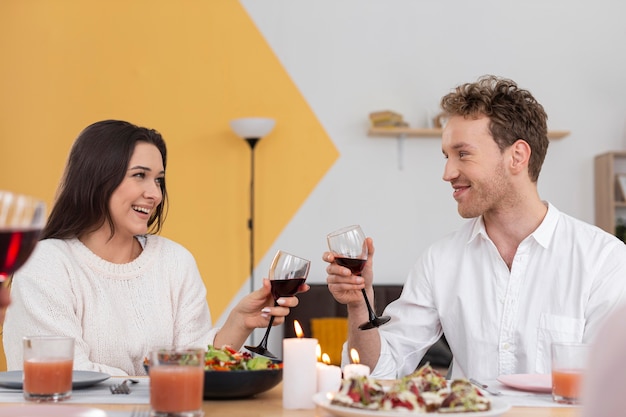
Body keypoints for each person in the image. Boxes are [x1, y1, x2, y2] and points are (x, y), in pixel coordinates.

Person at [323, 75, 626, 381]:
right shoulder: (440, 261)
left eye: (463, 154)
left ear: (517, 157)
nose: (447, 172)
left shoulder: (603, 260)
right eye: (446, 156)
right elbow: (379, 371)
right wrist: (359, 305)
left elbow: (609, 386)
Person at [2, 120, 306, 376]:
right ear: (96, 178)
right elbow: (61, 374)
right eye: (139, 176)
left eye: (159, 180)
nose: (155, 194)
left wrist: (238, 324)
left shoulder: (175, 261)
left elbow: (191, 365)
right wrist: (160, 380)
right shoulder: (46, 263)